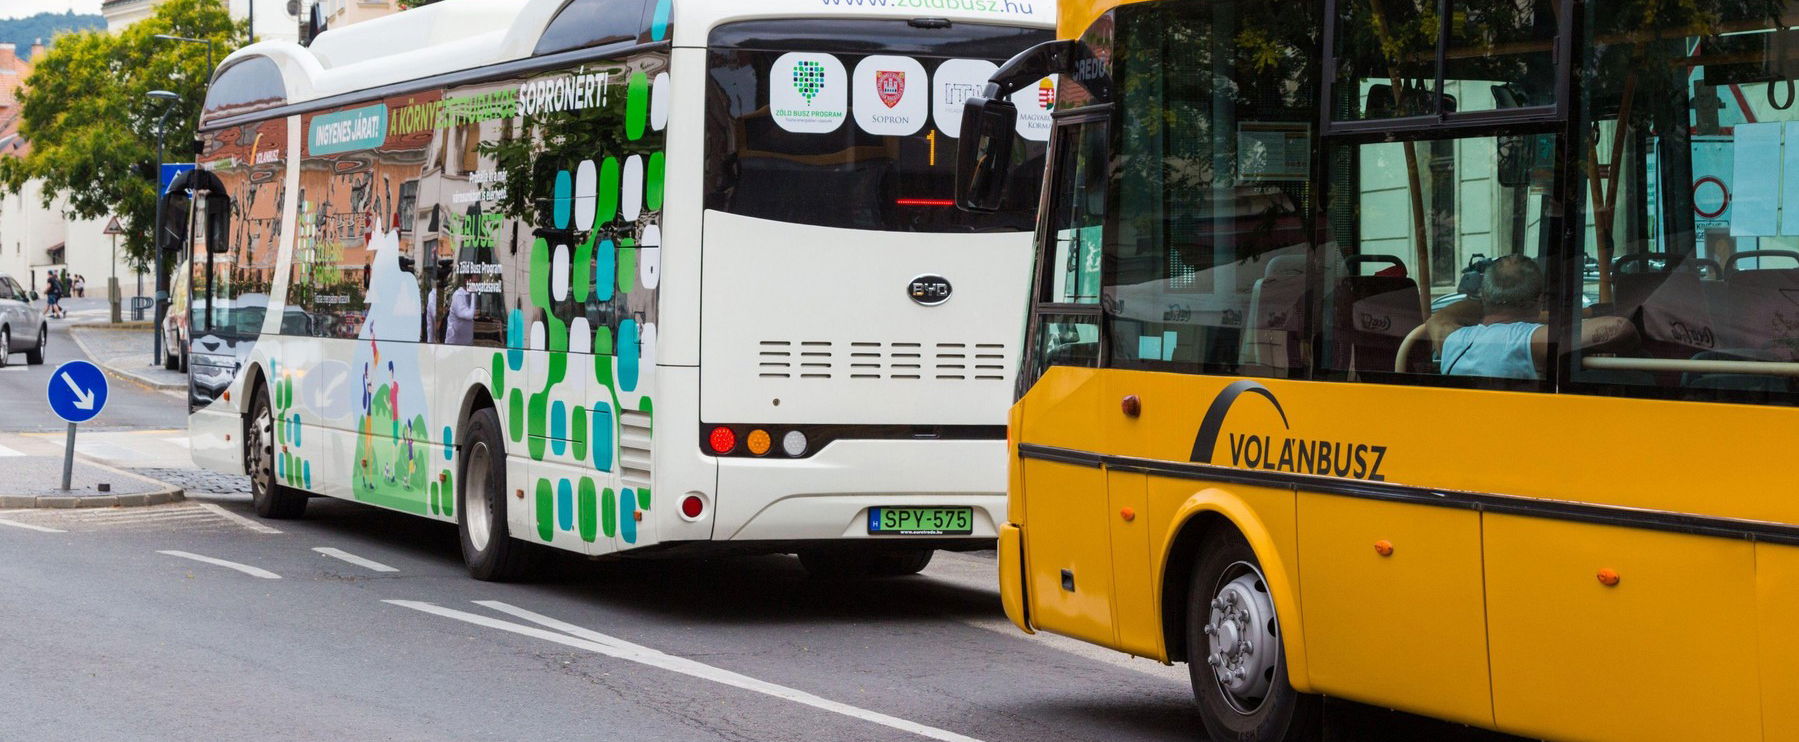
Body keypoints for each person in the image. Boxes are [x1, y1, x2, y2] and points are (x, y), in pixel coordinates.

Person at [1426, 254, 1636, 379]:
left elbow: (1441, 317)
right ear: (1540, 301)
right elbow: (1620, 328)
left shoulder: (1451, 339)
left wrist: (1491, 302)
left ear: (1485, 295)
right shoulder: (1530, 340)